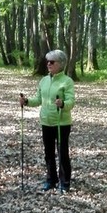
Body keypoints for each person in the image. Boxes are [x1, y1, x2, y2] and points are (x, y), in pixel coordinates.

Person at [19, 49, 75, 191]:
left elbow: (71, 102)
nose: (48, 64)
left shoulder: (67, 81)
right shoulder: (44, 80)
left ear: (60, 64)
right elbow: (38, 99)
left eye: (52, 62)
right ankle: (51, 179)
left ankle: (65, 182)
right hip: (46, 121)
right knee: (48, 153)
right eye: (47, 61)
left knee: (62, 153)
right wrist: (26, 101)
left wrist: (63, 104)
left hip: (61, 123)